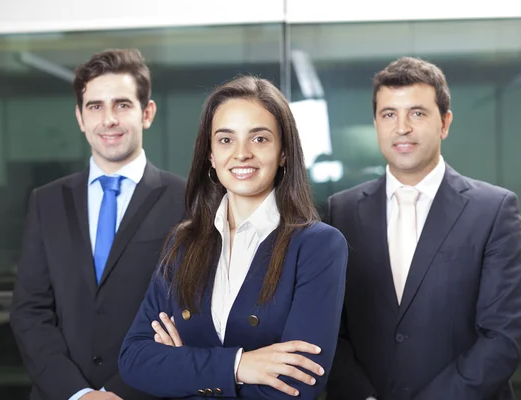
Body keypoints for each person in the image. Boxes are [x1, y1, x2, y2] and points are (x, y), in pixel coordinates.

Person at [118, 76, 348, 399]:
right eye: (226, 140)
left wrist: (182, 366)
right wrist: (239, 365)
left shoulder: (318, 246)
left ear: (283, 152)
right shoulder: (183, 243)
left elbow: (297, 385)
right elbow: (134, 360)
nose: (241, 154)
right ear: (210, 155)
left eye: (260, 139)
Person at [326, 57, 521, 400]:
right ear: (376, 123)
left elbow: (503, 335)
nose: (402, 128)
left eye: (417, 113)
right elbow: (331, 328)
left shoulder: (494, 210)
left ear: (445, 123)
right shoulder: (340, 211)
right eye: (389, 114)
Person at [10, 48, 186, 400]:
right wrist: (78, 393)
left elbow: (188, 309)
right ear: (80, 117)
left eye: (122, 105)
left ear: (146, 113)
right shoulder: (46, 201)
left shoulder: (186, 200)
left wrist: (117, 392)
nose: (108, 119)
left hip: (148, 392)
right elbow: (30, 310)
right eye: (95, 106)